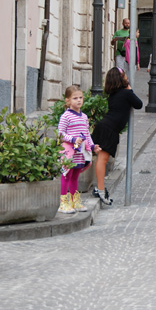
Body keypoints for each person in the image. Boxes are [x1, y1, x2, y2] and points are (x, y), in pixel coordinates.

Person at [91, 67, 143, 205]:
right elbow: (139, 104)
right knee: (102, 159)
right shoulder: (126, 93)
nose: (126, 77)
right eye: (124, 75)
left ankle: (100, 188)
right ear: (120, 79)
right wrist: (130, 90)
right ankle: (100, 189)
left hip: (107, 127)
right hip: (109, 129)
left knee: (102, 159)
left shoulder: (114, 94)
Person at [58, 86, 101, 214]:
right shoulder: (66, 116)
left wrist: (93, 146)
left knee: (75, 175)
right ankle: (63, 202)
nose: (78, 100)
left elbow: (87, 134)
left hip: (80, 152)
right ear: (68, 101)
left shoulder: (84, 117)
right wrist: (72, 139)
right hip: (69, 151)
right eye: (75, 98)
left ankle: (74, 200)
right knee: (67, 174)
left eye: (80, 98)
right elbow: (60, 133)